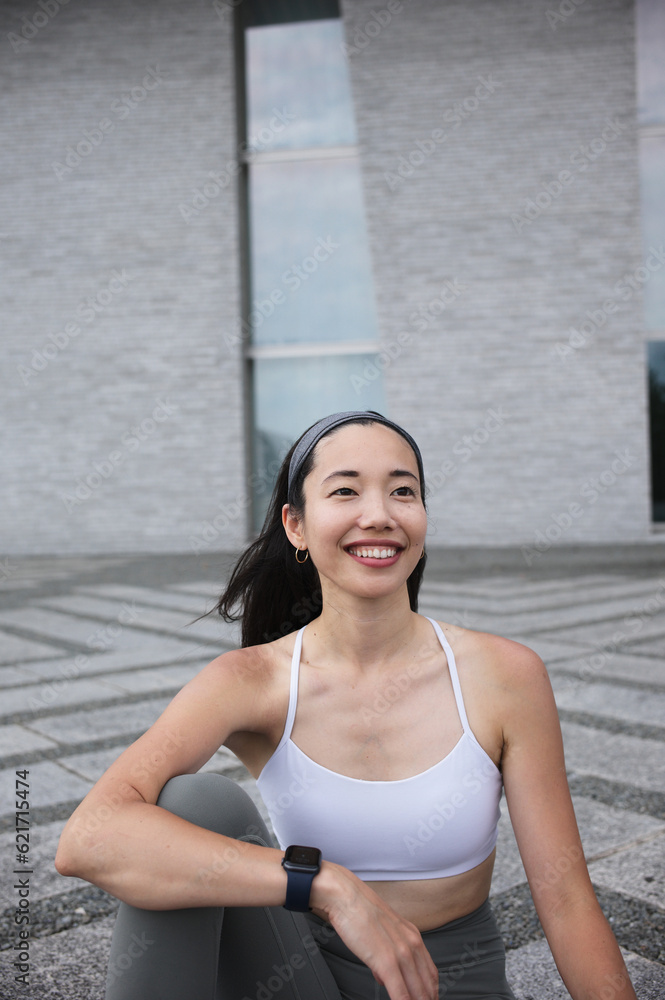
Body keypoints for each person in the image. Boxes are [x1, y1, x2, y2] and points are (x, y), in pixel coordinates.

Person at [56, 410, 637, 1000]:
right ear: (296, 525)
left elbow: (567, 899)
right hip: (300, 979)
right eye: (345, 491)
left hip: (447, 988)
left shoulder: (505, 675)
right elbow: (86, 840)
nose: (380, 515)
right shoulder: (252, 680)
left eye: (403, 491)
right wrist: (325, 886)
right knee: (193, 803)